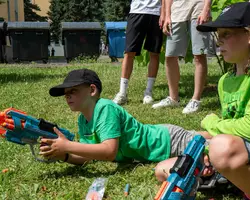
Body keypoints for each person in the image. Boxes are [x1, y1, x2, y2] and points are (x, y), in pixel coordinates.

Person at [154, 2, 250, 200]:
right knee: (163, 169)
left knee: (221, 147)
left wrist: (212, 123)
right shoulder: (225, 81)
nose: (218, 41)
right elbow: (231, 127)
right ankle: (230, 182)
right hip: (239, 154)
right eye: (217, 35)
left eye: (226, 34)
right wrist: (206, 151)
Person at [39, 69, 202, 165]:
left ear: (92, 90)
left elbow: (109, 151)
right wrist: (64, 155)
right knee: (199, 136)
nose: (67, 96)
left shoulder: (105, 108)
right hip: (161, 142)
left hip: (166, 142)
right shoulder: (83, 119)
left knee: (212, 147)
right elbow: (89, 155)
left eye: (73, 91)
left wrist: (67, 146)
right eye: (66, 94)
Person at [152, 0, 211, 114]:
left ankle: (196, 100)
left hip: (199, 7)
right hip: (177, 10)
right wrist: (167, 15)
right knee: (170, 55)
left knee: (199, 55)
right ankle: (173, 98)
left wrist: (206, 8)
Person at [113, 0, 165, 105]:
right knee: (129, 52)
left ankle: (148, 92)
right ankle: (122, 93)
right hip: (137, 11)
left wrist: (164, 13)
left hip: (156, 13)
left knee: (154, 53)